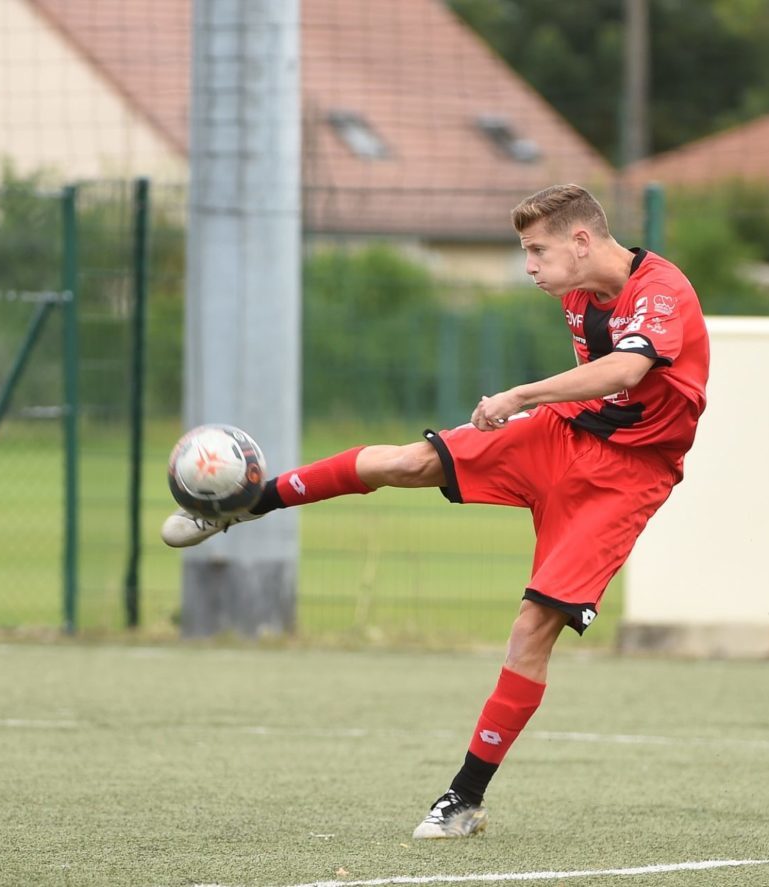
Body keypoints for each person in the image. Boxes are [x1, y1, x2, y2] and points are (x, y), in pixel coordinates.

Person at [161, 183, 710, 839]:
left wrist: (518, 395)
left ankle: (463, 799)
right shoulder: (575, 290)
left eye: (536, 251)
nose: (528, 265)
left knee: (533, 624)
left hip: (627, 475)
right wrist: (534, 409)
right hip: (565, 433)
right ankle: (249, 502)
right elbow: (606, 384)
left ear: (581, 241)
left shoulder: (660, 290)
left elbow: (625, 371)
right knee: (405, 462)